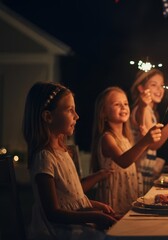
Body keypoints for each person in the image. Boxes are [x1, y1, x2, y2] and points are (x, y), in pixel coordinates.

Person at [23, 82, 117, 239]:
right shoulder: (44, 157)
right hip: (58, 232)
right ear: (48, 116)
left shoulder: (63, 152)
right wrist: (94, 216)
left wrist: (95, 205)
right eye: (69, 110)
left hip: (73, 227)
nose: (77, 116)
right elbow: (52, 212)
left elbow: (72, 194)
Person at [90, 86, 163, 216]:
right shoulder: (107, 138)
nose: (123, 107)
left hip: (128, 195)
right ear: (103, 113)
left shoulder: (125, 138)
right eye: (117, 104)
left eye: (125, 103)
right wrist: (144, 141)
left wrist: (145, 142)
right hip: (113, 201)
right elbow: (124, 161)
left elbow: (133, 162)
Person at [130, 69, 168, 186]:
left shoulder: (150, 111)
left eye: (162, 85)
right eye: (153, 85)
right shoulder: (143, 109)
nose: (159, 89)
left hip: (145, 171)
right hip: (139, 172)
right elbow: (152, 144)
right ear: (141, 88)